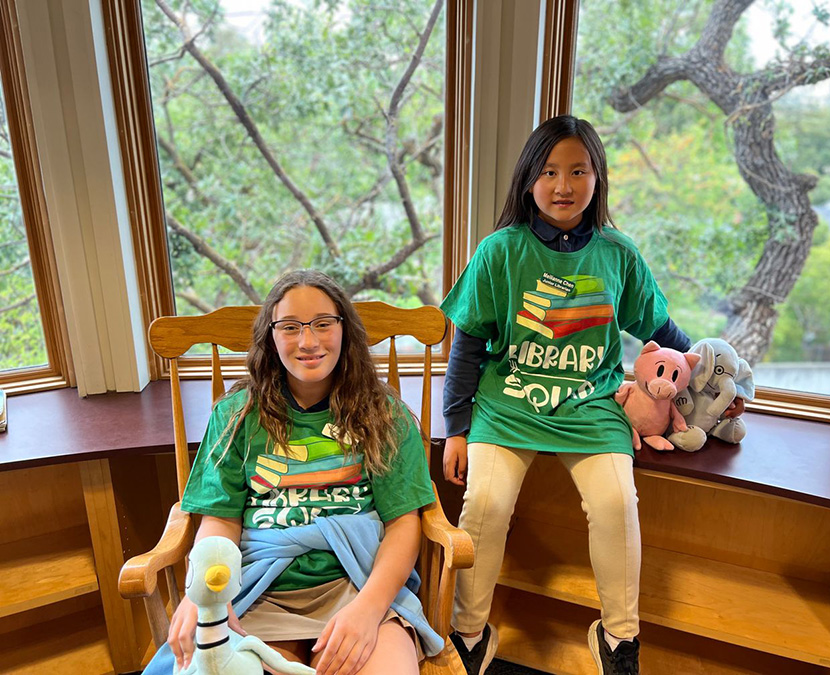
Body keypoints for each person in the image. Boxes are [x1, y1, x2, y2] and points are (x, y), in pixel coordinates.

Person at [440, 115, 695, 675]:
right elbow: (468, 345)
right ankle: (468, 634)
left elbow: (663, 333)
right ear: (528, 178)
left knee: (616, 505)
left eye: (578, 171)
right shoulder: (499, 251)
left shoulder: (618, 253)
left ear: (597, 178)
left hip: (592, 407)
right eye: (550, 171)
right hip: (507, 406)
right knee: (484, 507)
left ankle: (620, 640)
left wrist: (716, 377)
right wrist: (455, 429)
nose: (563, 185)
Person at [159, 270, 440, 675]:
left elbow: (403, 523)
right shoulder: (236, 416)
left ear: (345, 330)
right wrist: (205, 594)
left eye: (323, 324)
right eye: (290, 327)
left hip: (358, 582)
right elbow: (220, 518)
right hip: (260, 588)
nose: (308, 341)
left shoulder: (385, 414)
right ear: (270, 337)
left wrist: (368, 608)